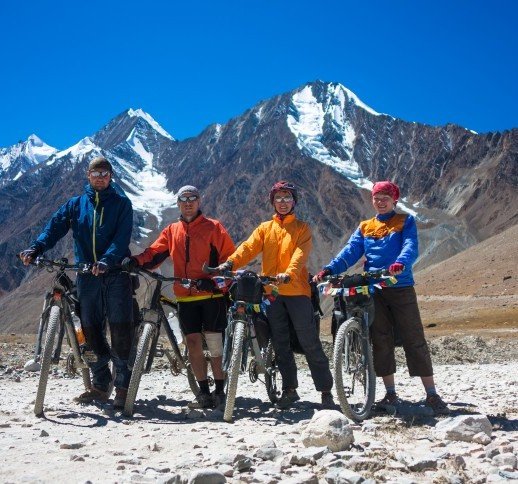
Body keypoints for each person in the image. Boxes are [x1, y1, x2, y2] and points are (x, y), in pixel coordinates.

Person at [314, 181, 450, 415]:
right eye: (377, 197)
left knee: (413, 336)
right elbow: (351, 251)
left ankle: (431, 394)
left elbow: (410, 246)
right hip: (373, 289)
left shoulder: (405, 221)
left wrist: (400, 264)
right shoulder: (365, 226)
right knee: (381, 338)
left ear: (394, 200)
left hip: (400, 285)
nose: (380, 201)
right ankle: (390, 392)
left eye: (386, 197)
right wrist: (330, 269)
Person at [20, 157, 134, 409]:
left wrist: (107, 260)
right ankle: (101, 383)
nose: (100, 177)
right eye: (96, 173)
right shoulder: (75, 205)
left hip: (115, 274)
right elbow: (54, 228)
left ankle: (124, 386)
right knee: (90, 328)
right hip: (86, 275)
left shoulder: (122, 204)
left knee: (120, 328)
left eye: (105, 173)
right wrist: (37, 246)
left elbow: (122, 238)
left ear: (111, 176)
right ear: (88, 175)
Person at [217, 181, 334, 410]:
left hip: (297, 291)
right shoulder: (265, 228)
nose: (283, 202)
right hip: (272, 293)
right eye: (278, 198)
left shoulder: (302, 228)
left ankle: (326, 391)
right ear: (273, 201)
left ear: (294, 201)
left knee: (310, 342)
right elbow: (248, 247)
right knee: (280, 343)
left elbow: (300, 255)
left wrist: (289, 274)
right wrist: (231, 262)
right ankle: (290, 390)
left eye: (287, 198)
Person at [122, 185, 235, 409]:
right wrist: (136, 261)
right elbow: (154, 253)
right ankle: (203, 392)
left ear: (199, 201)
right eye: (183, 199)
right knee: (192, 342)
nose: (188, 203)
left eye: (192, 198)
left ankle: (220, 389)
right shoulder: (172, 231)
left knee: (214, 343)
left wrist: (213, 281)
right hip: (185, 296)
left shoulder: (214, 228)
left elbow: (230, 261)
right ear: (178, 204)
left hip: (211, 294)